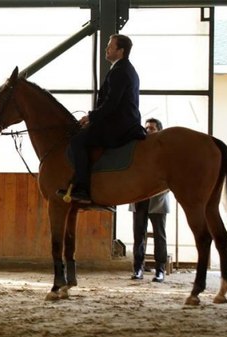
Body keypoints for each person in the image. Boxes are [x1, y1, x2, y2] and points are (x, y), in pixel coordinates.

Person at [60, 34, 147, 204]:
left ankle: (83, 189)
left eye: (110, 46)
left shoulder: (120, 71)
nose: (106, 49)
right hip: (124, 121)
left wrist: (90, 117)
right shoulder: (124, 68)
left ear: (120, 51)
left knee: (78, 141)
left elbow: (111, 104)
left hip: (119, 125)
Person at [130, 118, 170, 282]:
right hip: (139, 197)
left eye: (152, 128)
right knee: (138, 235)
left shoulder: (166, 151)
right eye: (146, 128)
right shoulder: (138, 148)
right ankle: (138, 268)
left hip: (157, 199)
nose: (148, 131)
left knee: (160, 235)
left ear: (159, 130)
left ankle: (160, 270)